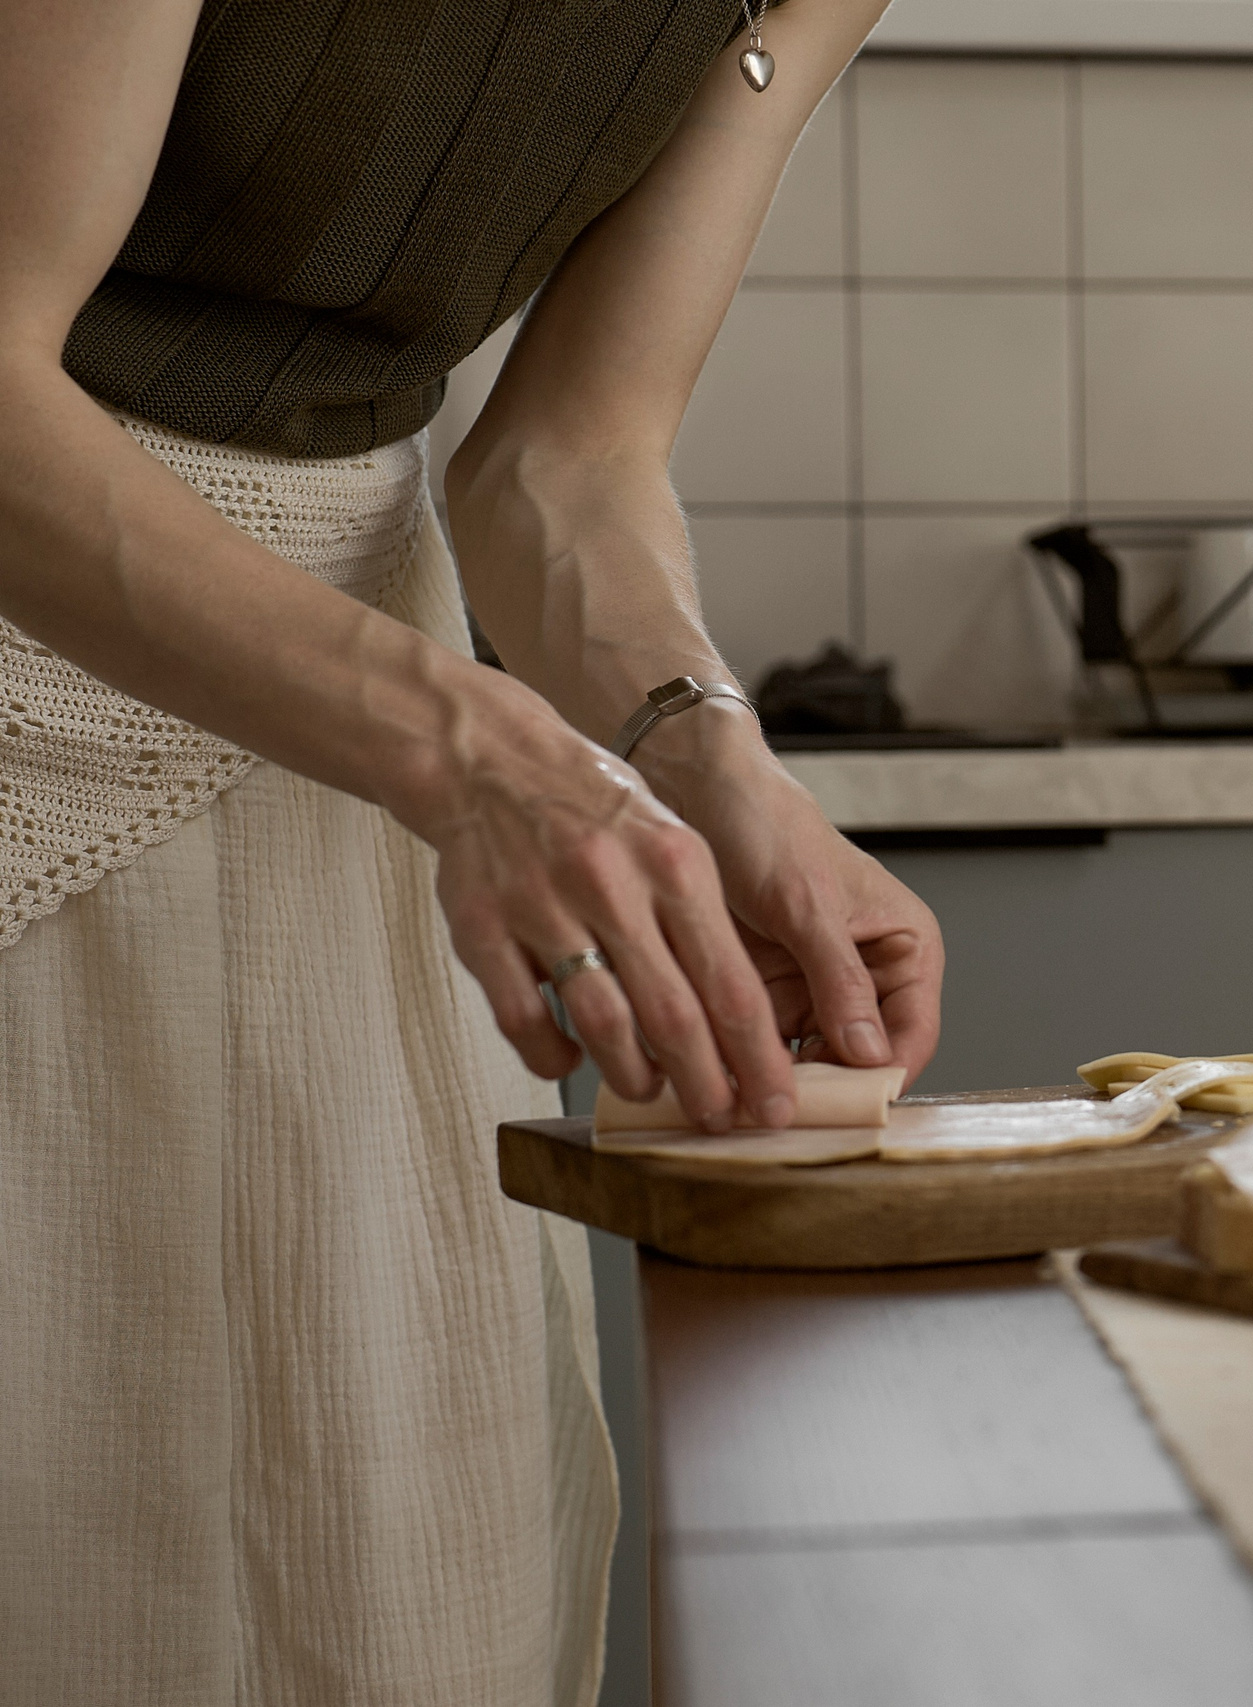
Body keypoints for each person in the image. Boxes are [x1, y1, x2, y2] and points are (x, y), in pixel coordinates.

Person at [0, 0, 940, 1700]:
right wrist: (476, 746)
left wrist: (711, 760)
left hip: (368, 727)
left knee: (410, 1553)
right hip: (100, 660)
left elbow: (568, 460)